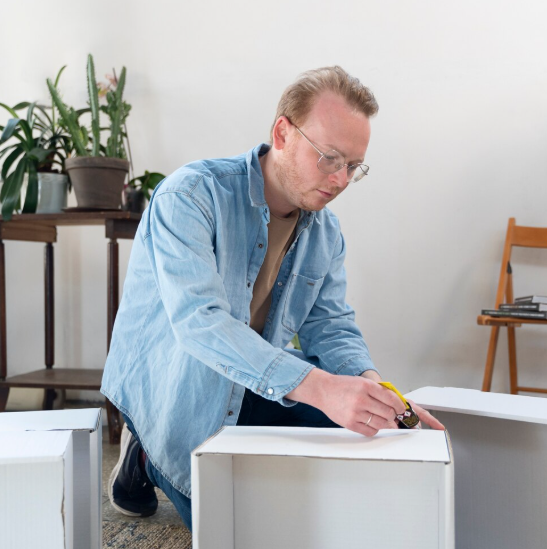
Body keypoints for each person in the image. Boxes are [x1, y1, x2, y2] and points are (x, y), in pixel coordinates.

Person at [100, 65, 444, 530]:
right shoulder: (190, 196)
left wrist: (374, 391)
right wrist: (324, 388)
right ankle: (144, 453)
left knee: (364, 446)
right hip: (177, 391)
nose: (341, 179)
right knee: (243, 524)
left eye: (353, 166)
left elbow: (331, 328)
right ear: (283, 132)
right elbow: (201, 323)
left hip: (256, 383)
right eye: (329, 158)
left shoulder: (326, 233)